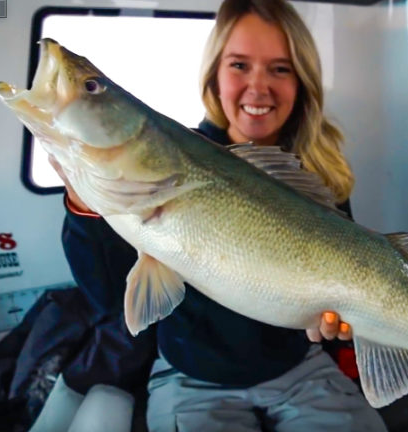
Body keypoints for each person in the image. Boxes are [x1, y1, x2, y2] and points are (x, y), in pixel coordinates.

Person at [39, 0, 388, 431]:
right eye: (239, 65)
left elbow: (347, 282)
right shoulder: (167, 158)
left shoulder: (317, 173)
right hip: (191, 375)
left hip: (301, 367)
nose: (258, 87)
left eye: (280, 69)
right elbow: (110, 299)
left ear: (302, 81)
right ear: (214, 75)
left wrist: (344, 323)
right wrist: (83, 205)